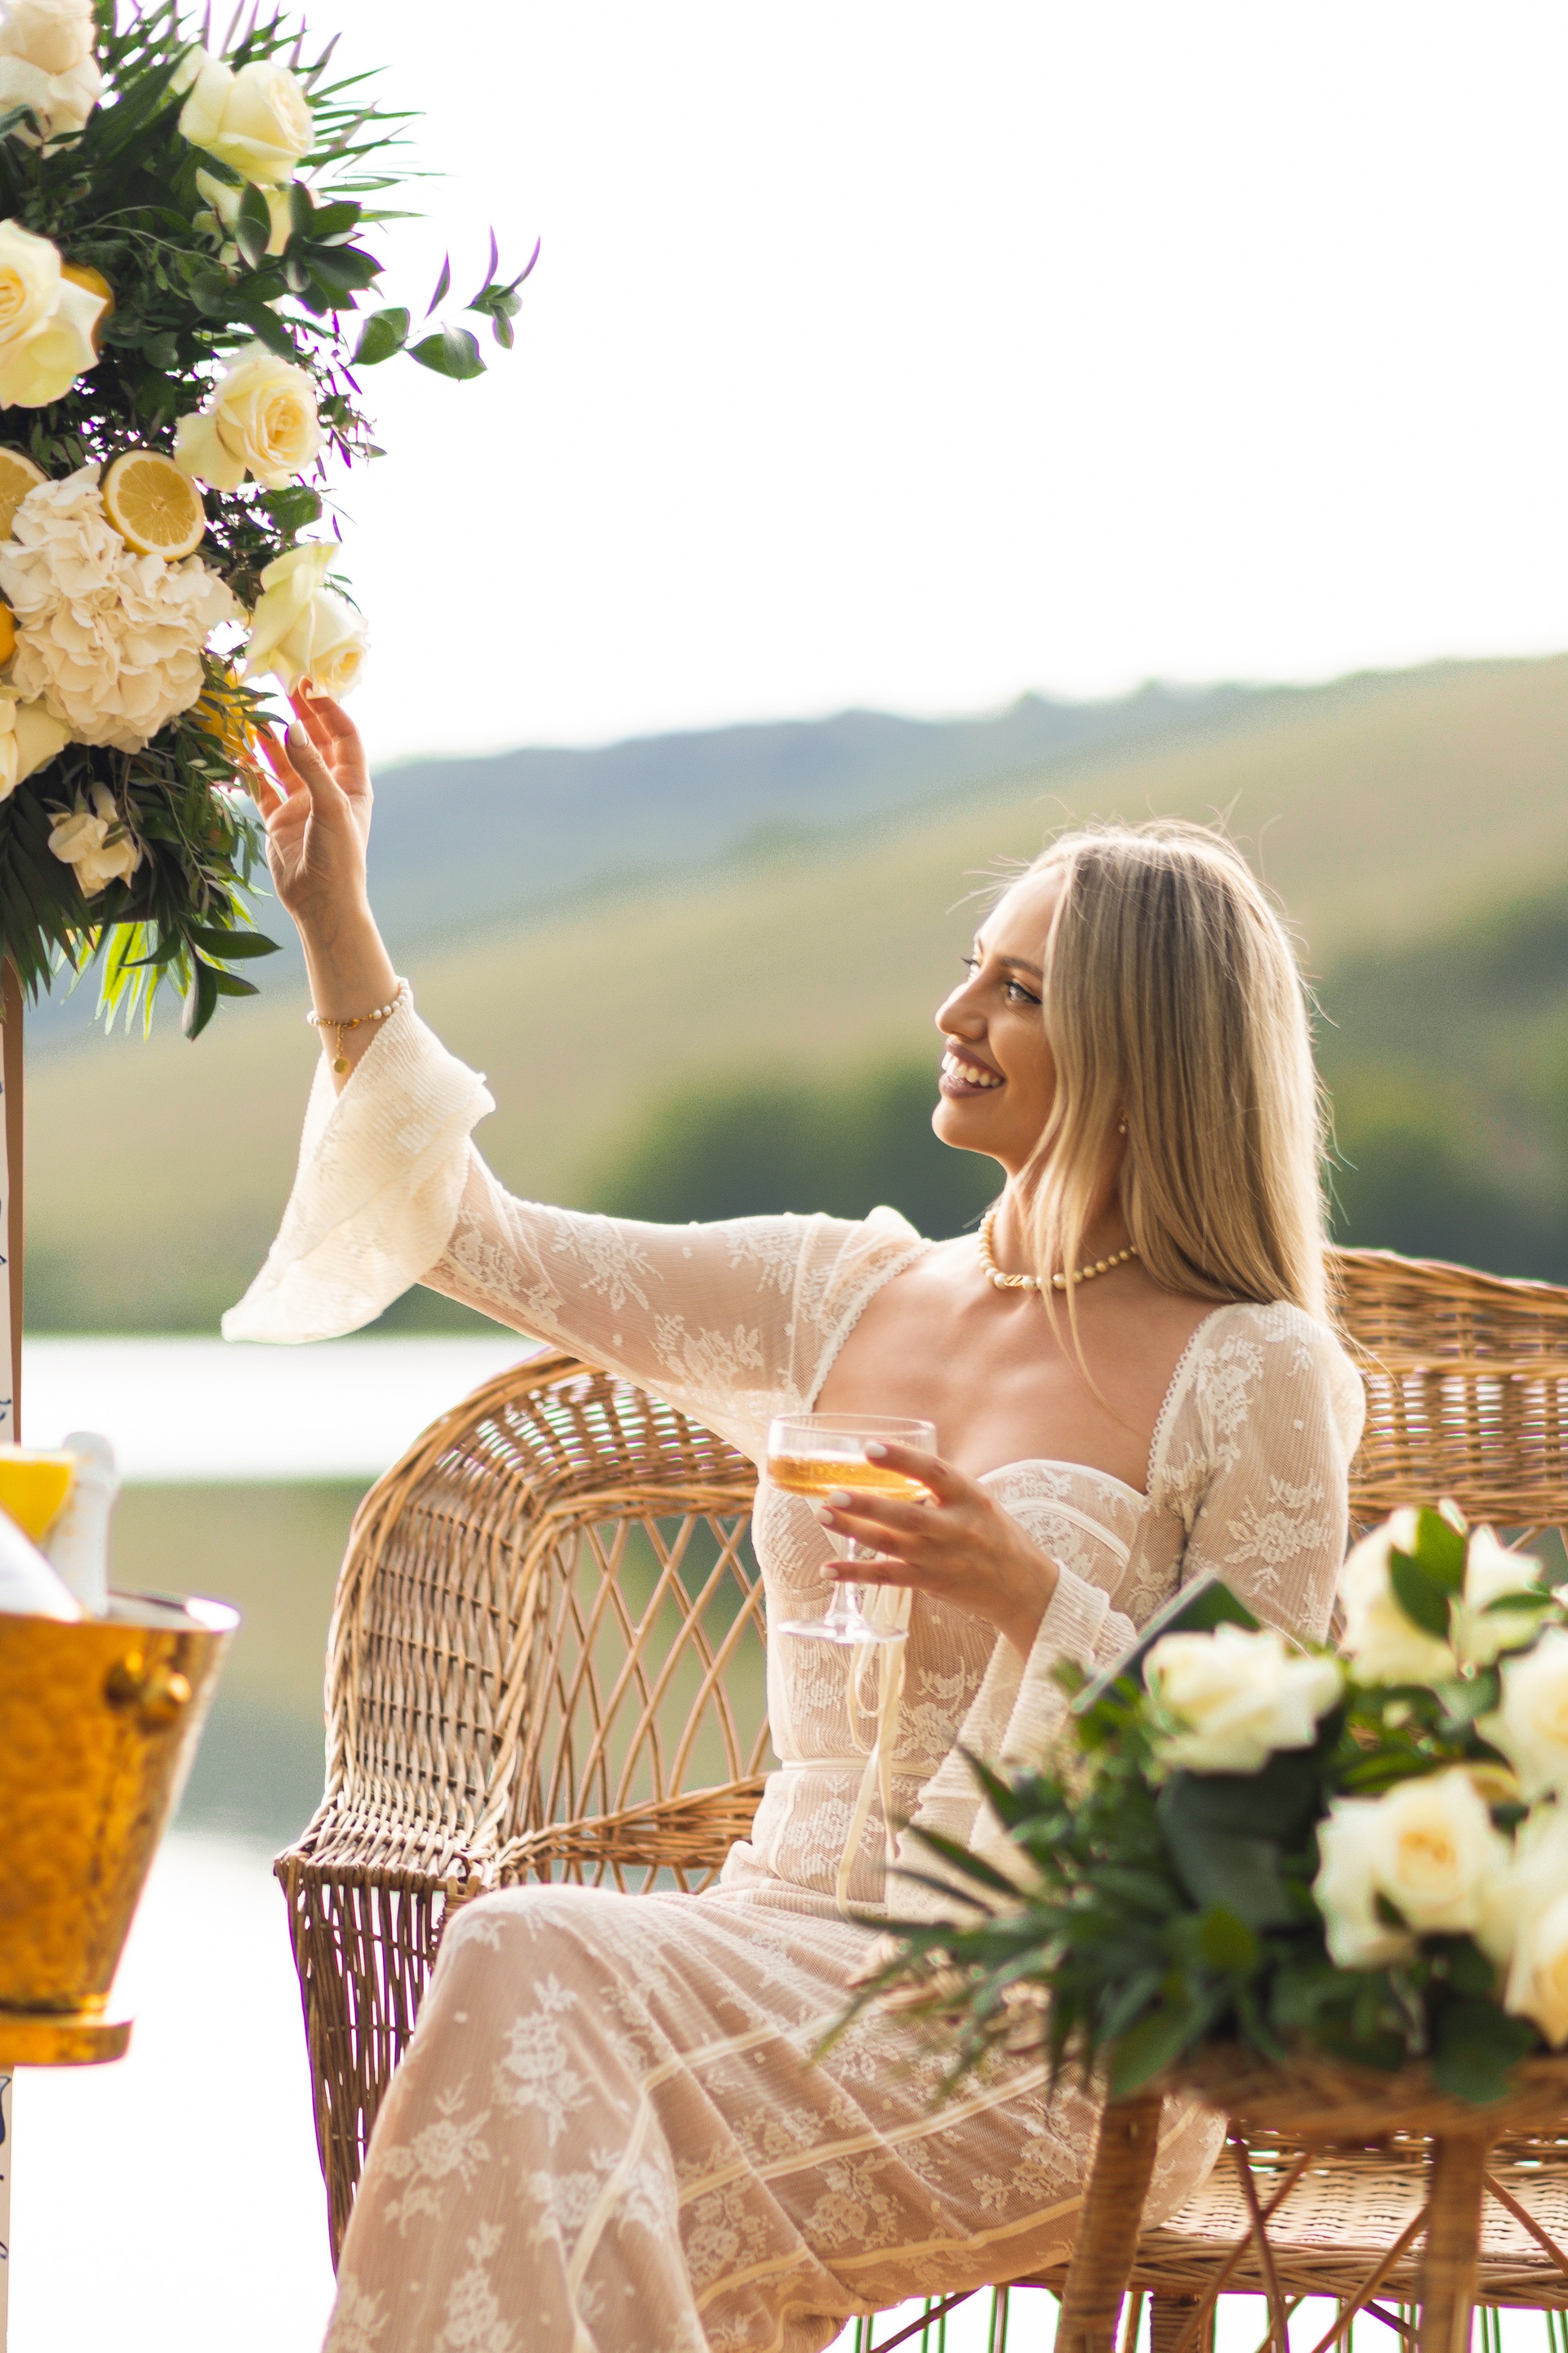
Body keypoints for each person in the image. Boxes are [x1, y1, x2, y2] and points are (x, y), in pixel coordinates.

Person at [234, 691, 1364, 2353]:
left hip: (1054, 2023)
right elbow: (477, 1236)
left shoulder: (1253, 1367)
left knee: (531, 1962)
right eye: (974, 965)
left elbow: (1262, 1788)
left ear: (1144, 1052)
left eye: (1021, 990)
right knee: (549, 2071)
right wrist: (337, 919)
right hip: (771, 1943)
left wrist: (1036, 1594)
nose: (956, 1011)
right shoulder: (836, 1291)